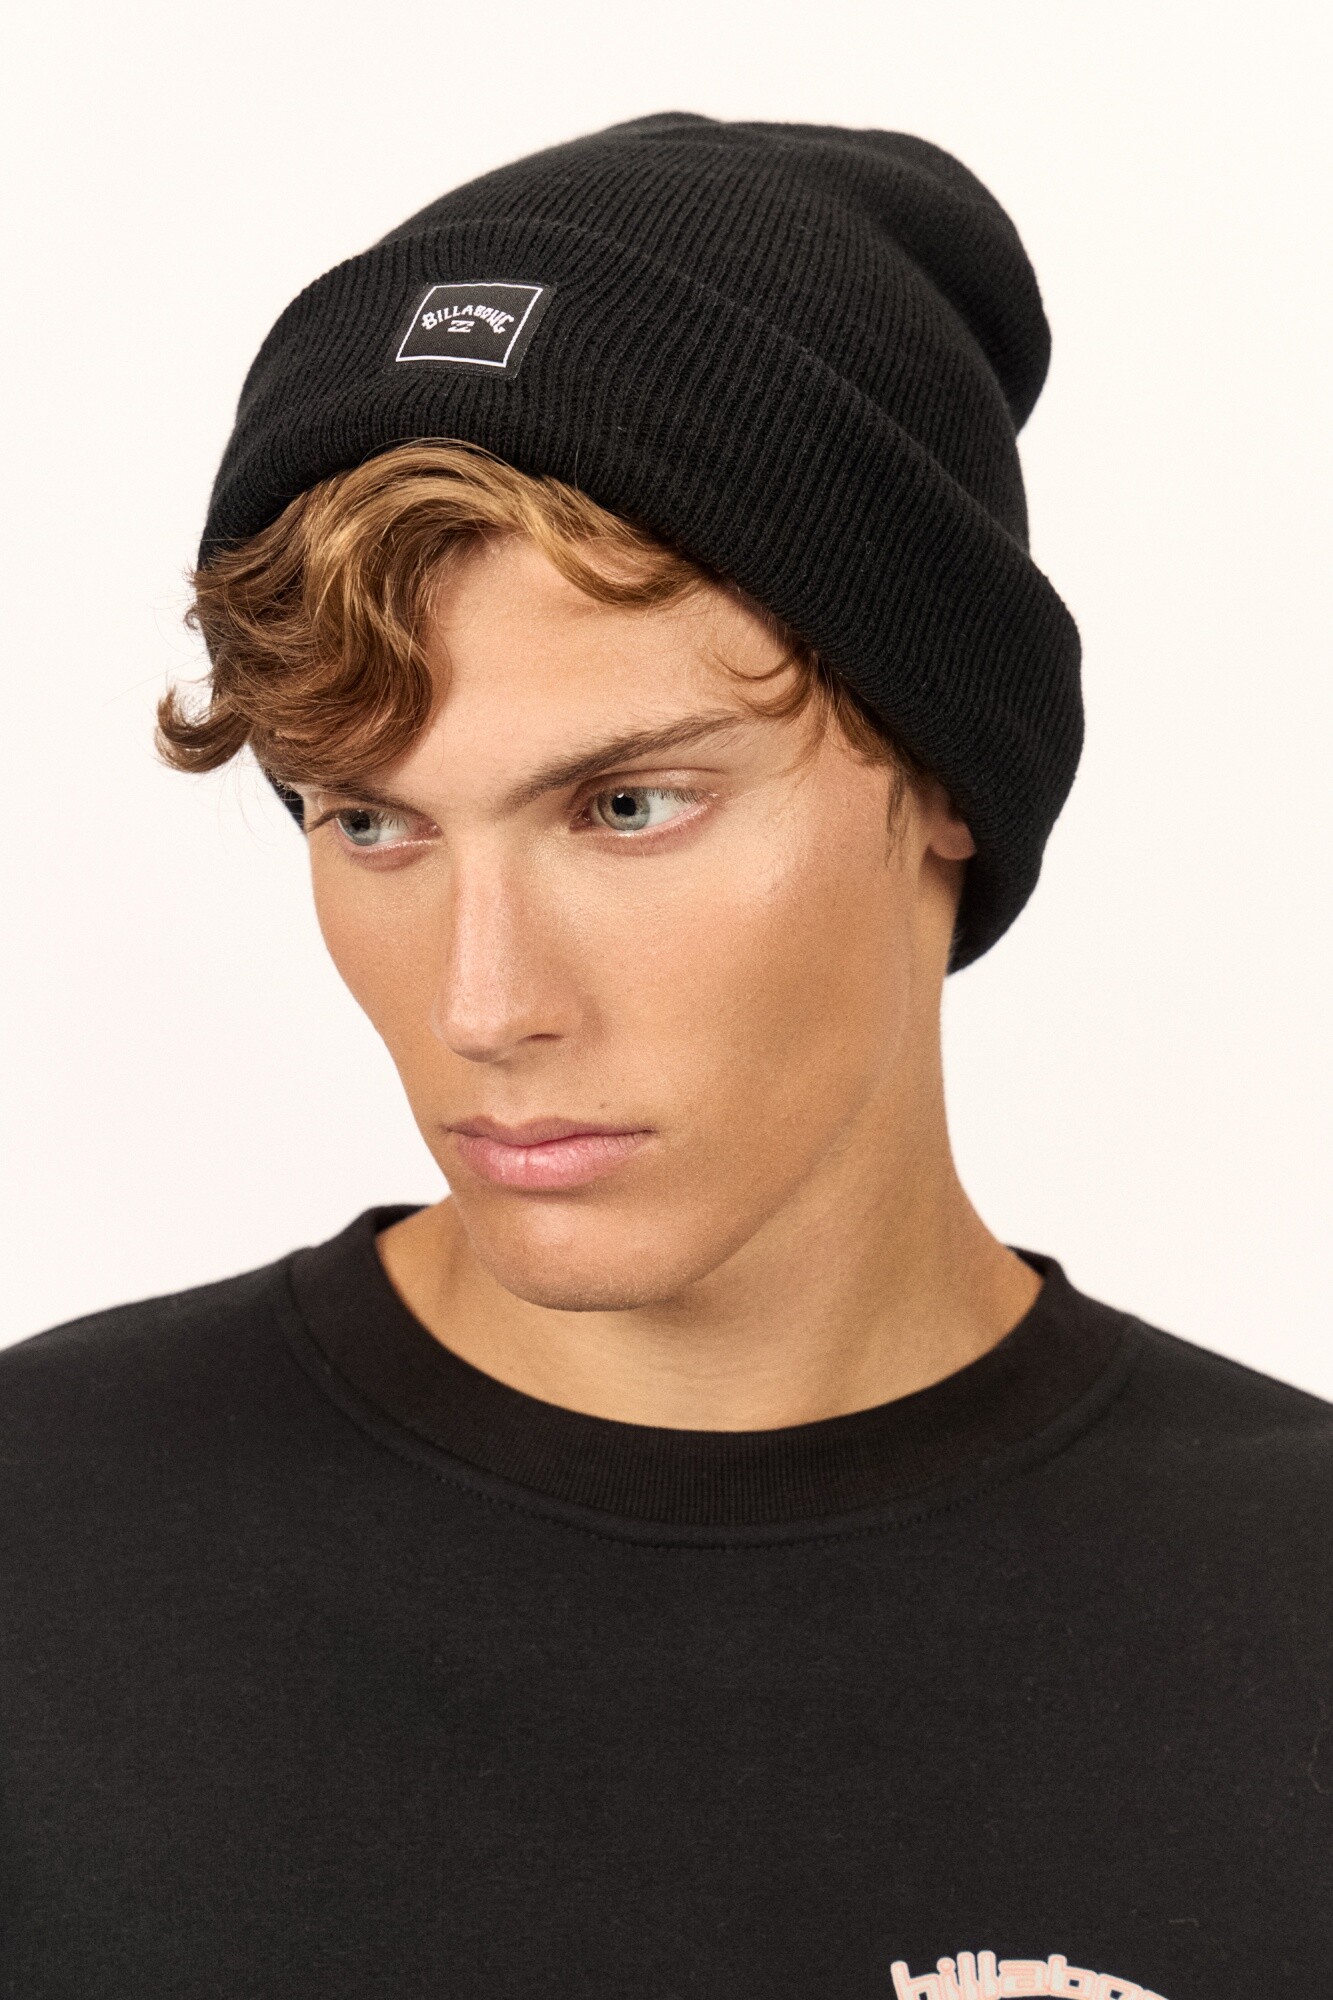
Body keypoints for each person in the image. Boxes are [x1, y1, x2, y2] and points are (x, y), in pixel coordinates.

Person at [1, 113, 1327, 1999]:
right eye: (372, 823)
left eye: (626, 805)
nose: (483, 1004)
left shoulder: (1289, 1617)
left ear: (943, 780)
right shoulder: (42, 1535)